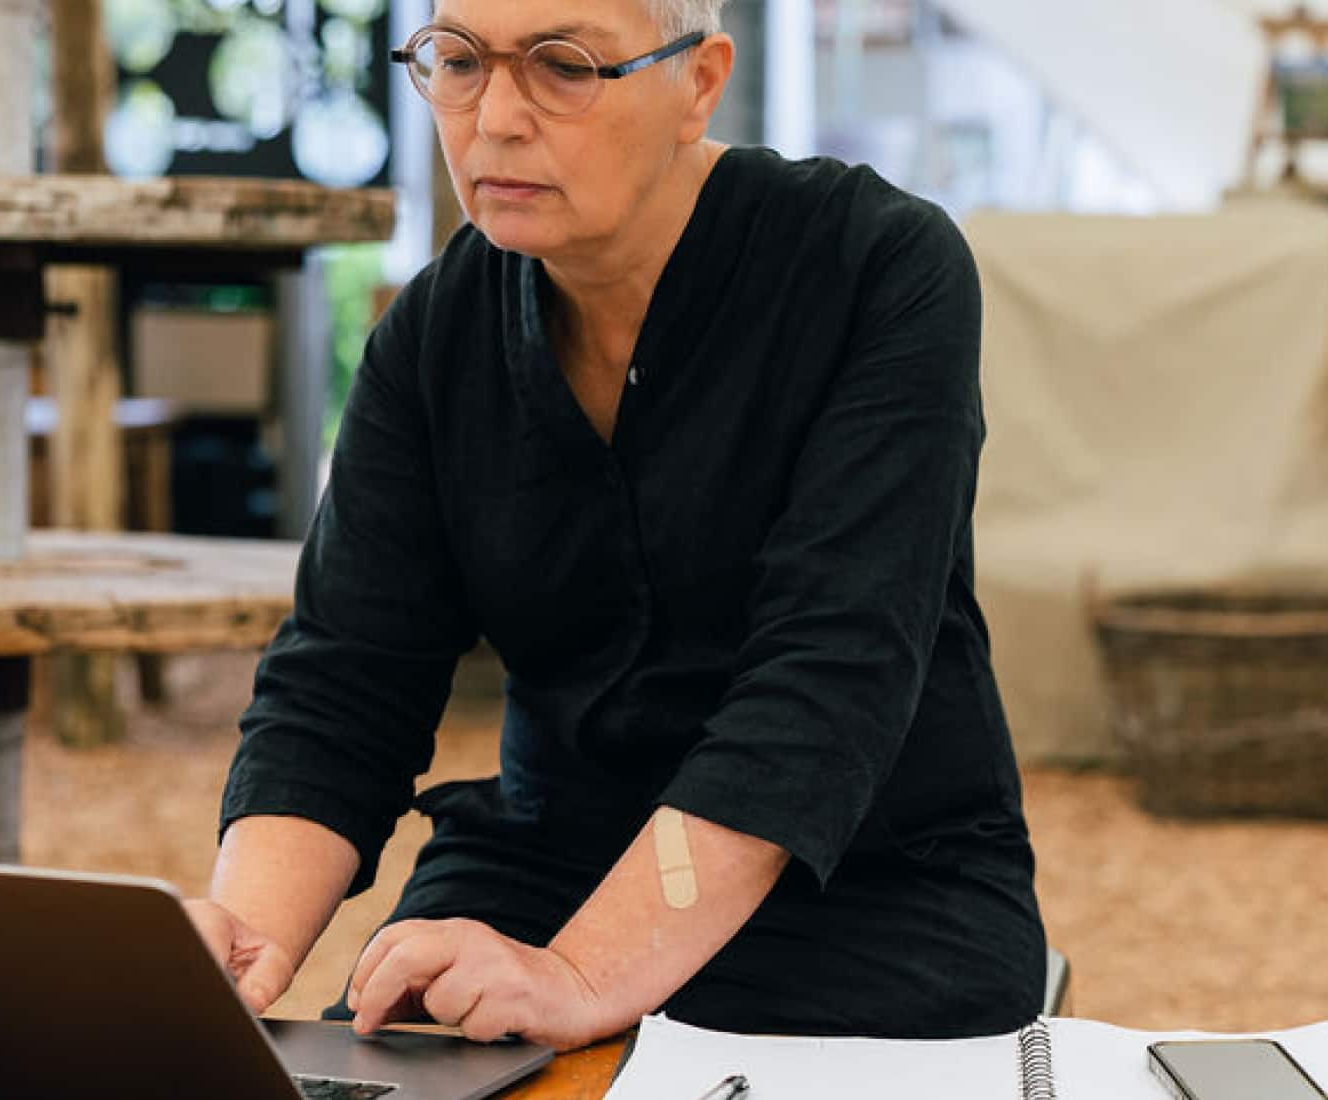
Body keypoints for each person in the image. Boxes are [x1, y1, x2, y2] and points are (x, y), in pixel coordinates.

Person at [180, 0, 1045, 1052]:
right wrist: (237, 946)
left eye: (563, 65)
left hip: (871, 885)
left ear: (700, 81)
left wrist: (583, 974)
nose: (493, 116)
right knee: (386, 1051)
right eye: (458, 60)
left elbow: (829, 674)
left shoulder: (876, 266)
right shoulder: (431, 335)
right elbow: (345, 676)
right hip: (545, 858)